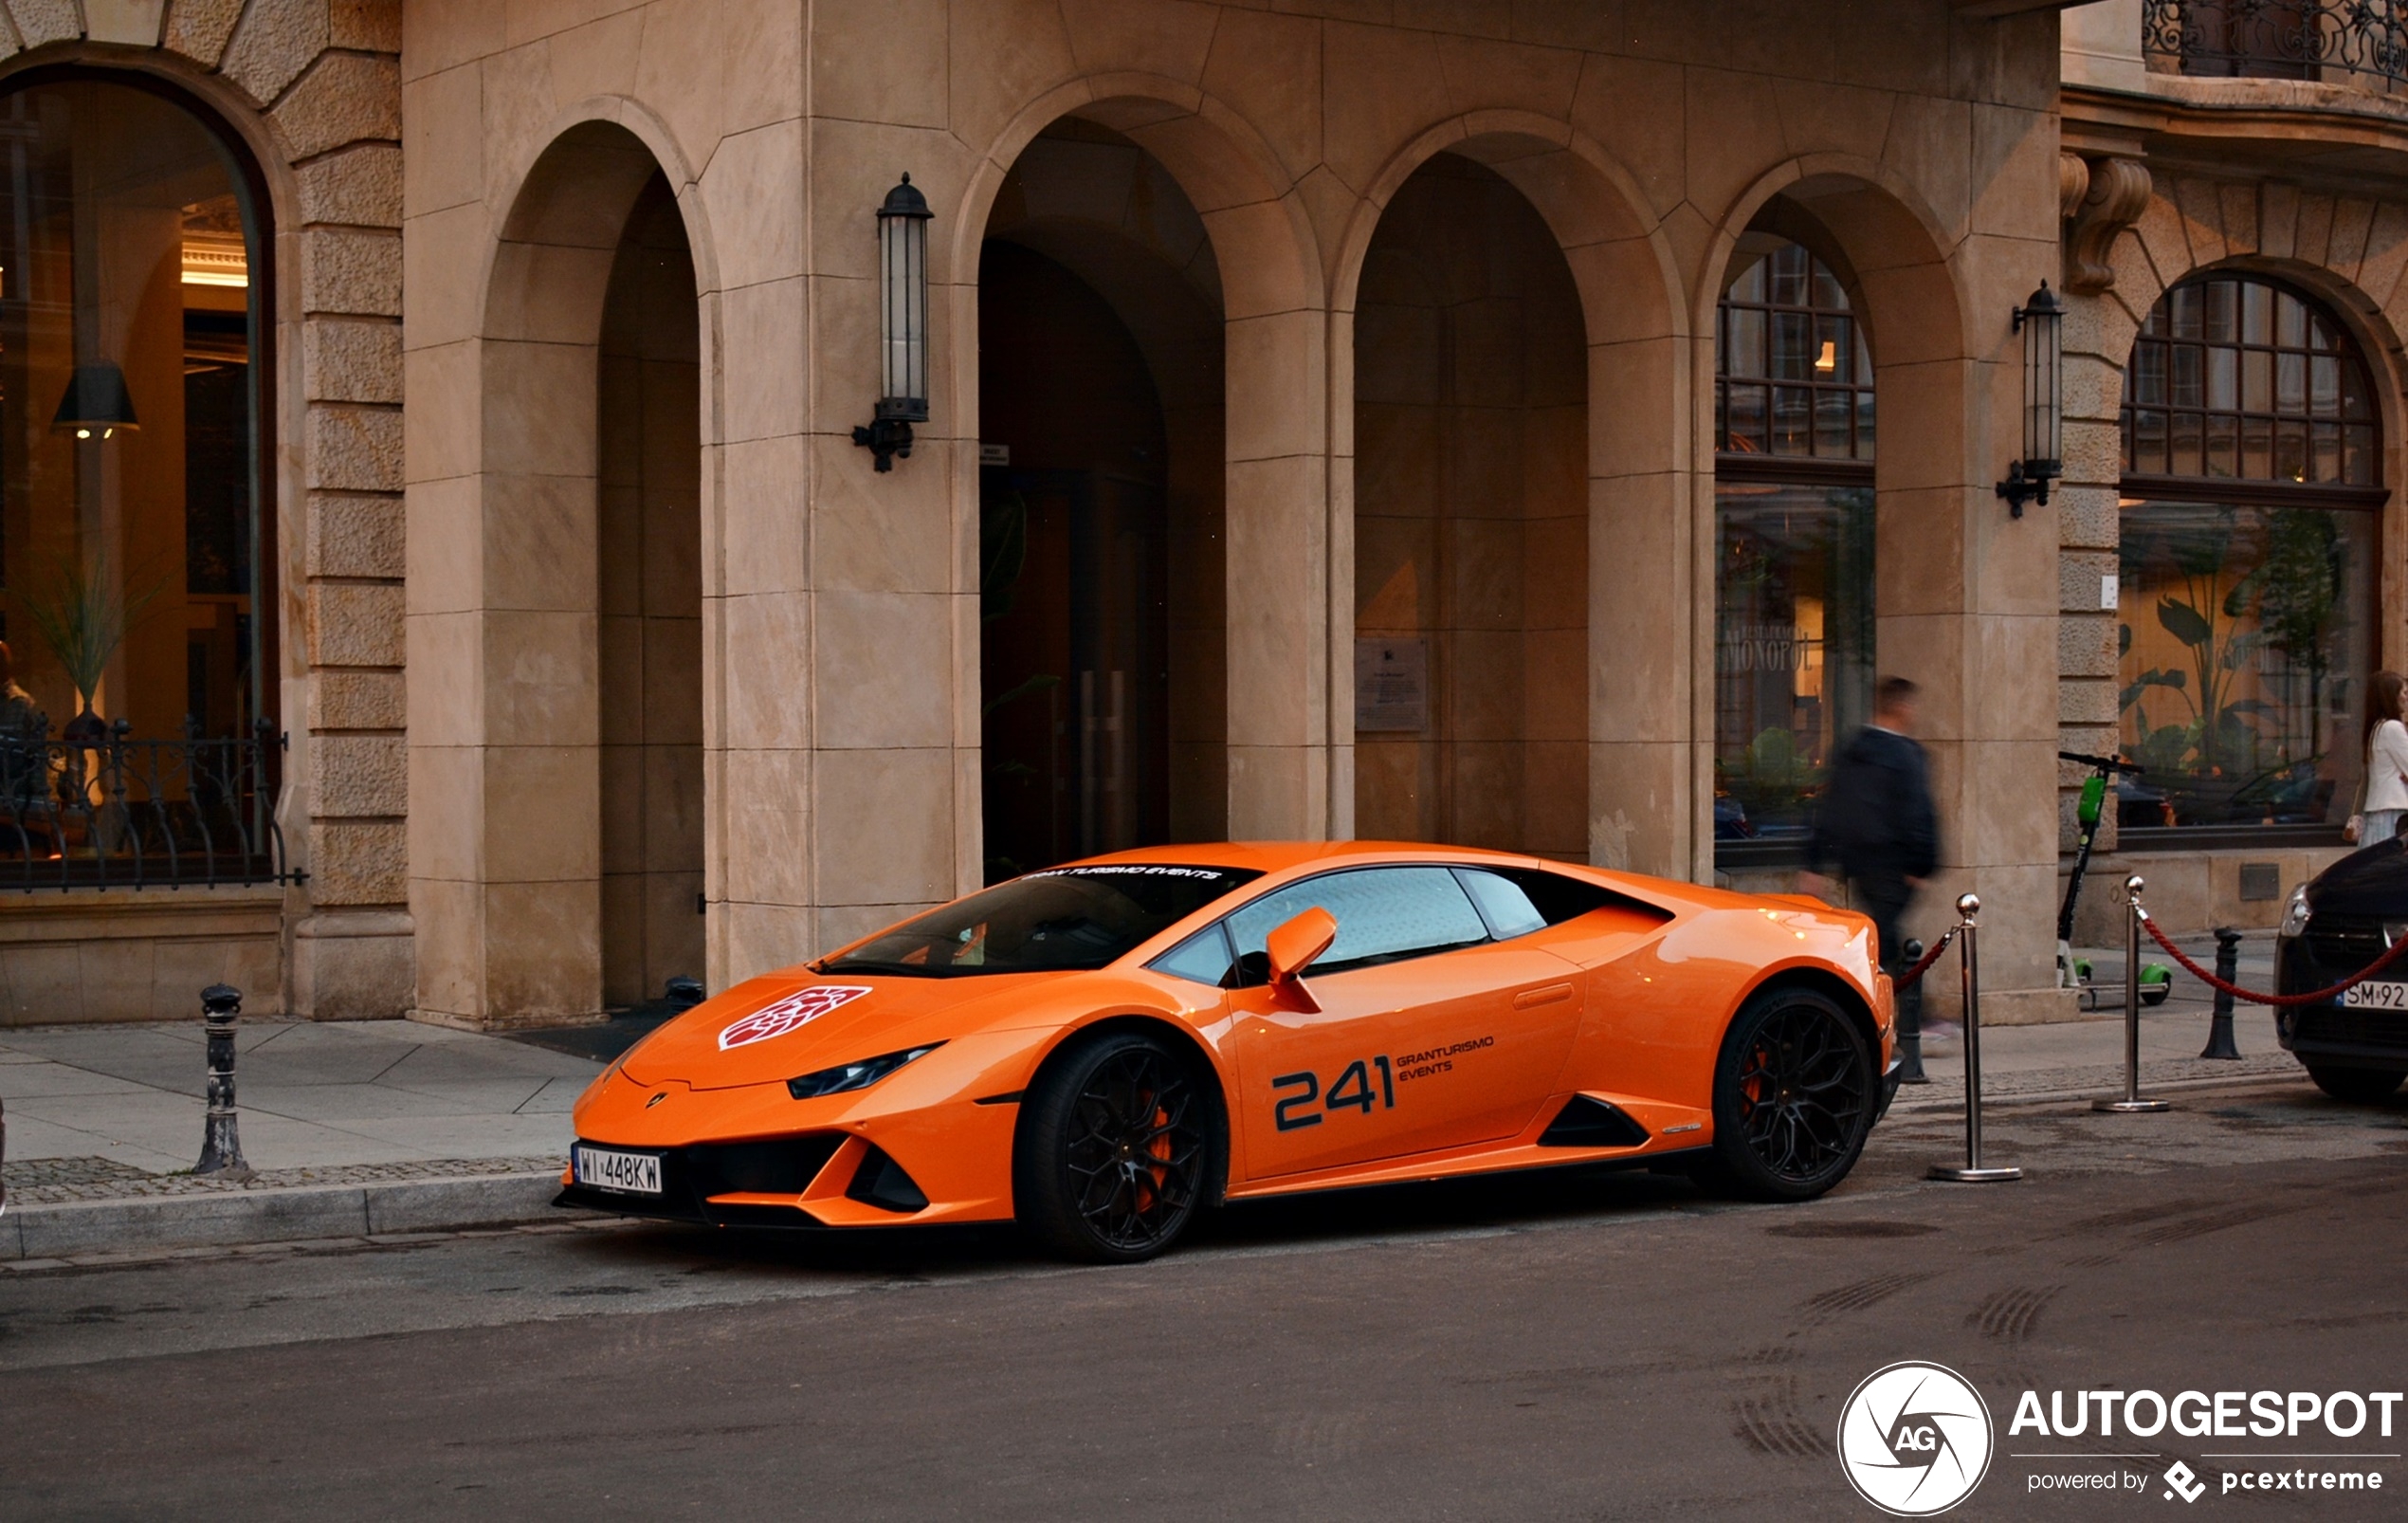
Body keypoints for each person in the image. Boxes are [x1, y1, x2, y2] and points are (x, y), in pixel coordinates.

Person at [1807, 675, 1943, 1063]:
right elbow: (1919, 809)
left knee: (1886, 938)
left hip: (1860, 861)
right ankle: (1912, 1020)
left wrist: (1815, 861)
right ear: (1901, 707)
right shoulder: (1905, 754)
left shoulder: (1853, 749)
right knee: (1890, 944)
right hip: (1895, 862)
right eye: (1911, 706)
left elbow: (1830, 806)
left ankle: (1898, 1018)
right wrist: (1922, 861)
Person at [2349, 670, 2408, 846]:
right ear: (2391, 696)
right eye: (2404, 693)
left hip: (2379, 811)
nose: (2406, 698)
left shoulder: (2377, 728)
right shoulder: (2392, 728)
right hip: (2393, 813)